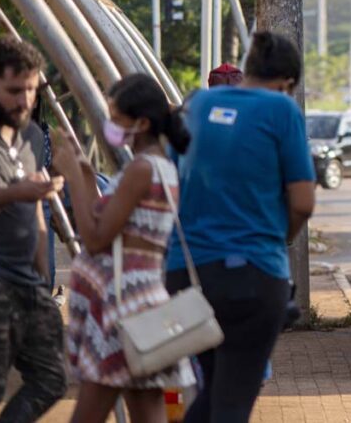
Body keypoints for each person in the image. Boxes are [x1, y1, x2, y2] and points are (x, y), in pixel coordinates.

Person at [165, 31, 316, 423]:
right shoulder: (281, 111)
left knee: (216, 390)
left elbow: (170, 181)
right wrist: (278, 238)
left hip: (187, 274)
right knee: (232, 403)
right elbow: (302, 202)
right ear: (286, 83)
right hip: (253, 276)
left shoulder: (195, 104)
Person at [51, 73, 195, 422]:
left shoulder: (141, 170)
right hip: (140, 303)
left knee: (88, 412)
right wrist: (84, 175)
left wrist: (71, 174)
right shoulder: (158, 167)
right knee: (148, 412)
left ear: (142, 122)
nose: (109, 124)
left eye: (116, 117)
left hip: (122, 309)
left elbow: (96, 238)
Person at [0, 36, 67, 422]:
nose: (25, 101)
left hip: (27, 282)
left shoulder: (29, 134)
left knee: (51, 377)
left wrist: (43, 275)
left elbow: (34, 206)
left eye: (30, 90)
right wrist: (16, 192)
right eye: (14, 91)